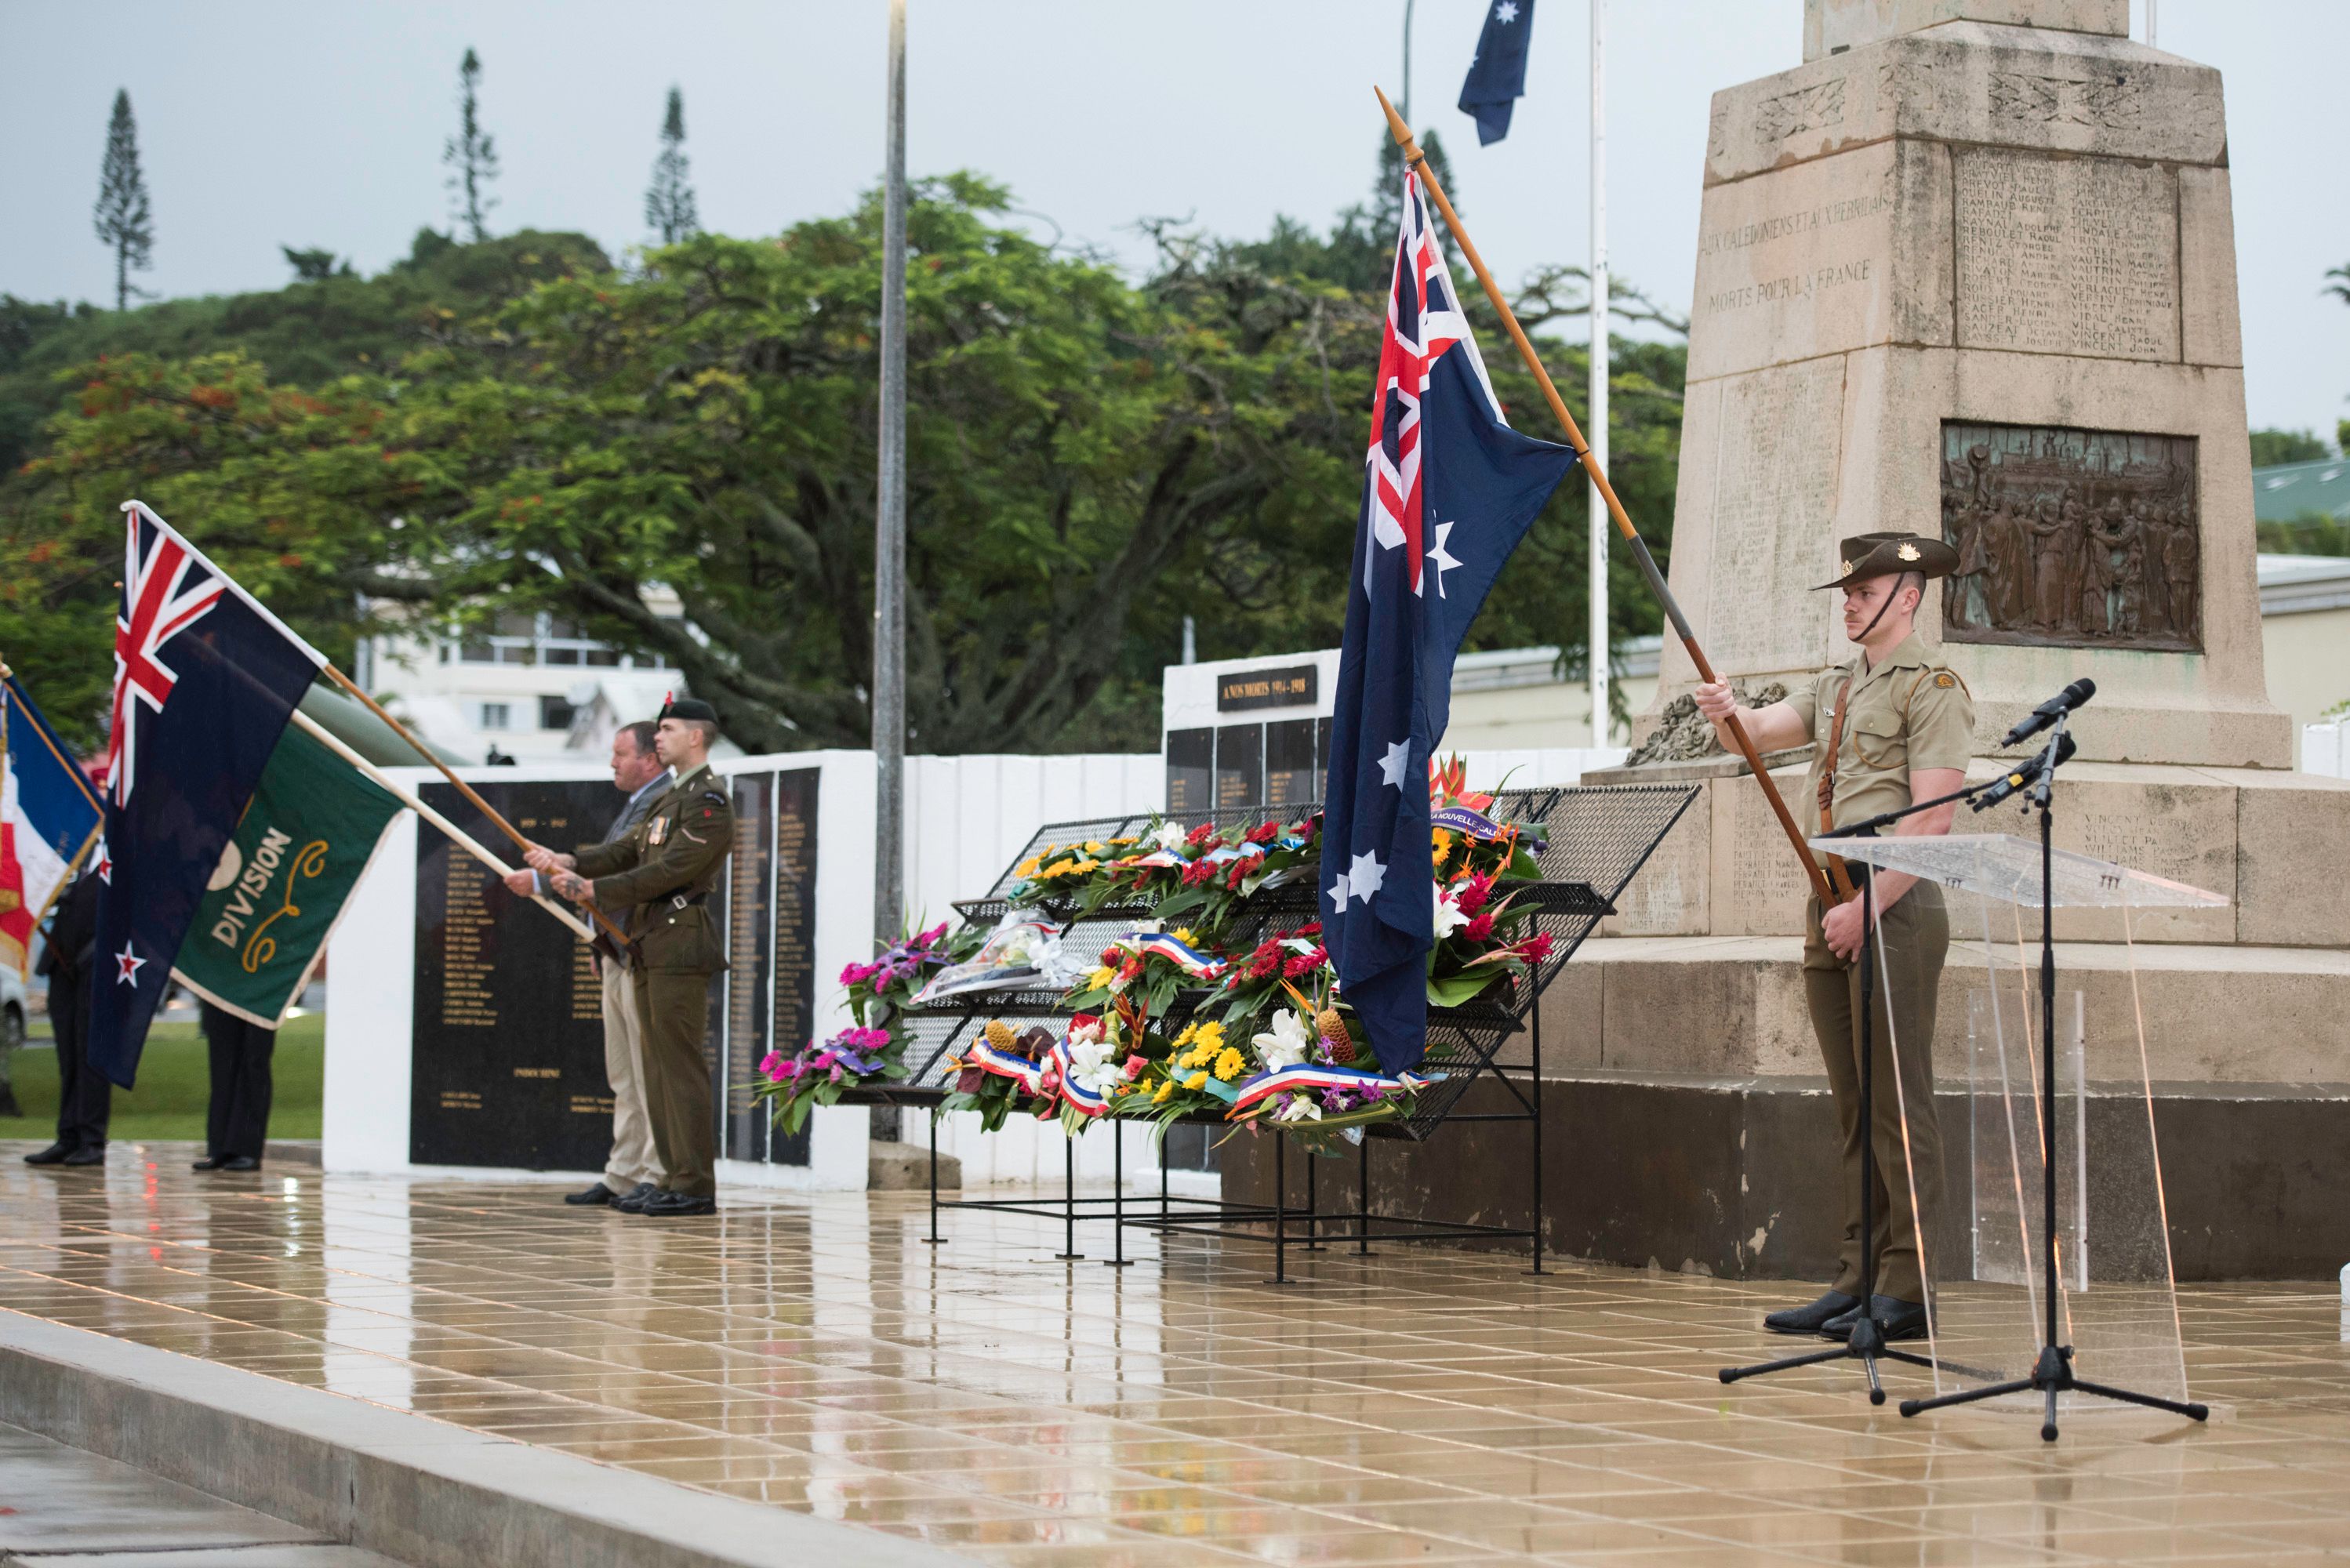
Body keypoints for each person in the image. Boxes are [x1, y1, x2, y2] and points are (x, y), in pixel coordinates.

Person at [1693, 532, 1974, 1344]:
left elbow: (1934, 818)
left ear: (1907, 596)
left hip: (1894, 900)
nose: (1848, 602)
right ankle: (1858, 1276)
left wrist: (1870, 905)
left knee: (1897, 1098)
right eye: (1847, 591)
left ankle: (1908, 1283)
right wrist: (1725, 712)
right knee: (1855, 1102)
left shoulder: (1934, 686)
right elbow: (1754, 733)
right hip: (1832, 895)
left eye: (1863, 590)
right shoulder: (1837, 685)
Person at [525, 698, 732, 1218]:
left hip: (676, 938)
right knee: (655, 1069)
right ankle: (666, 1174)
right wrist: (570, 860)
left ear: (696, 739)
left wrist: (593, 886)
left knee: (676, 1067)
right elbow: (629, 850)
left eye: (667, 729)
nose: (657, 737)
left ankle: (692, 1182)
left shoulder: (707, 799)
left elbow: (672, 870)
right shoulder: (672, 798)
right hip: (648, 941)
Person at [503, 720, 672, 1210]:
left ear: (650, 759)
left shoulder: (663, 804)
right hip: (616, 949)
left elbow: (628, 873)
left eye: (621, 754)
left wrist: (549, 878)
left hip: (643, 947)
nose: (613, 763)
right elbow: (605, 865)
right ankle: (624, 1174)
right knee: (623, 1074)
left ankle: (655, 1174)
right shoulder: (636, 804)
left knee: (646, 1073)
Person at [25, 862, 105, 1167]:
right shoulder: (74, 851)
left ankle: (92, 1138)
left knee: (91, 1054)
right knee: (68, 1055)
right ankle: (69, 1134)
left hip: (98, 964)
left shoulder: (119, 847)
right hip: (62, 962)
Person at [193, 1000, 274, 1172]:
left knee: (254, 1059)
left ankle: (247, 1148)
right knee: (223, 1062)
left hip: (261, 985)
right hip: (222, 983)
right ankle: (219, 1147)